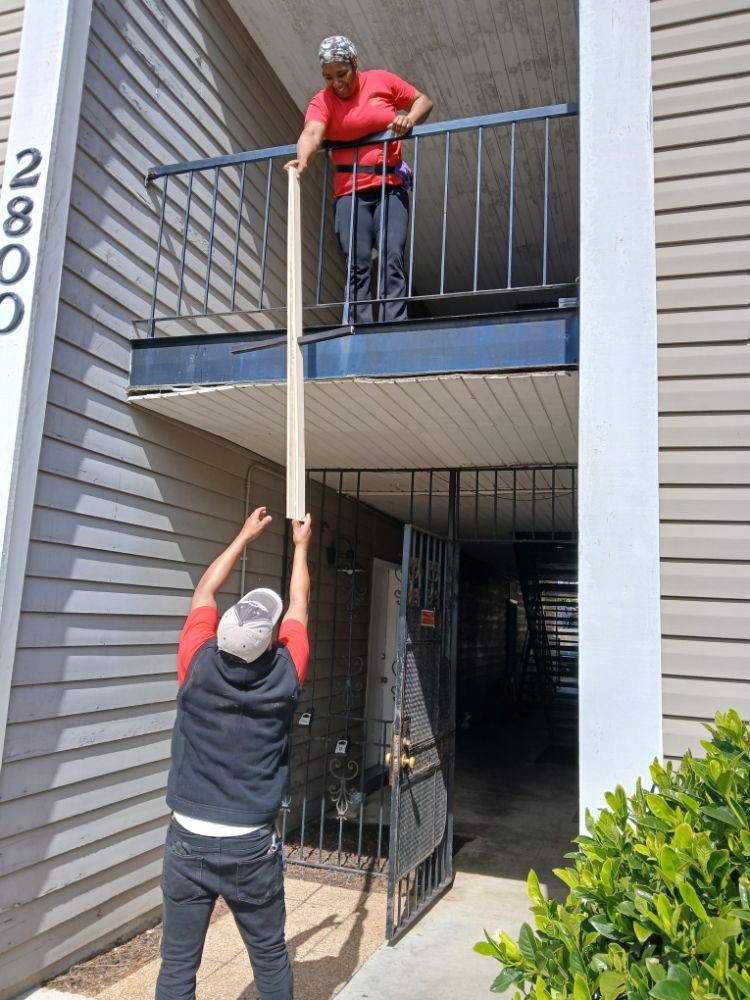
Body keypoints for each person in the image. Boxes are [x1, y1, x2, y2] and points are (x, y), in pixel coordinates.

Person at [155, 506, 312, 1000]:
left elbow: (204, 591)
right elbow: (300, 603)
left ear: (220, 632)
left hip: (187, 839)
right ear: (270, 644)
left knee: (177, 964)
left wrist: (243, 535)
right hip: (249, 843)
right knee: (269, 957)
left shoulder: (195, 663)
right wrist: (301, 546)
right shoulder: (285, 677)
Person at [285, 35, 433, 323]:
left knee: (392, 257)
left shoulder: (380, 81)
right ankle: (359, 329)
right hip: (350, 194)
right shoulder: (322, 101)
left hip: (390, 188)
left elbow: (423, 101)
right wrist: (303, 160)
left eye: (342, 74)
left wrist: (409, 119)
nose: (336, 82)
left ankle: (394, 326)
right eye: (328, 77)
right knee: (358, 262)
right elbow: (312, 133)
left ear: (355, 64)